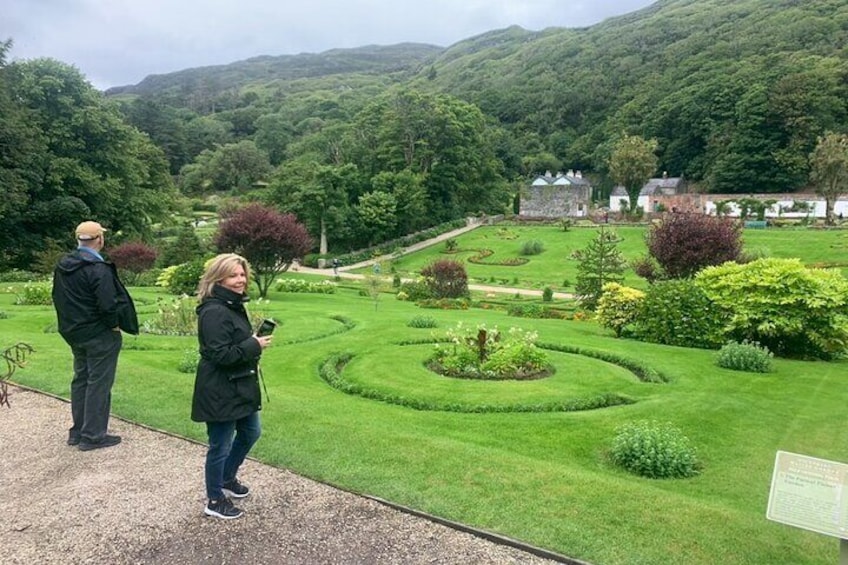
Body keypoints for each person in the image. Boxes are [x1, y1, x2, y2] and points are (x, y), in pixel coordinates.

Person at [191, 253, 272, 520]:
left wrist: (250, 343)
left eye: (242, 274)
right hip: (220, 388)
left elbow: (233, 344)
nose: (240, 280)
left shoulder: (232, 305)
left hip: (240, 384)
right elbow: (220, 355)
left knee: (251, 431)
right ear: (218, 278)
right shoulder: (214, 311)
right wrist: (253, 345)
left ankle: (227, 477)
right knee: (220, 444)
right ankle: (214, 499)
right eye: (233, 275)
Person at [52, 221, 139, 451]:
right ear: (100, 239)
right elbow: (108, 305)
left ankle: (78, 432)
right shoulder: (98, 269)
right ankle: (92, 436)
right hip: (99, 334)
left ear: (77, 240)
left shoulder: (63, 265)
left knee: (81, 379)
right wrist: (113, 326)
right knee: (98, 383)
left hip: (74, 332)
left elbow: (59, 298)